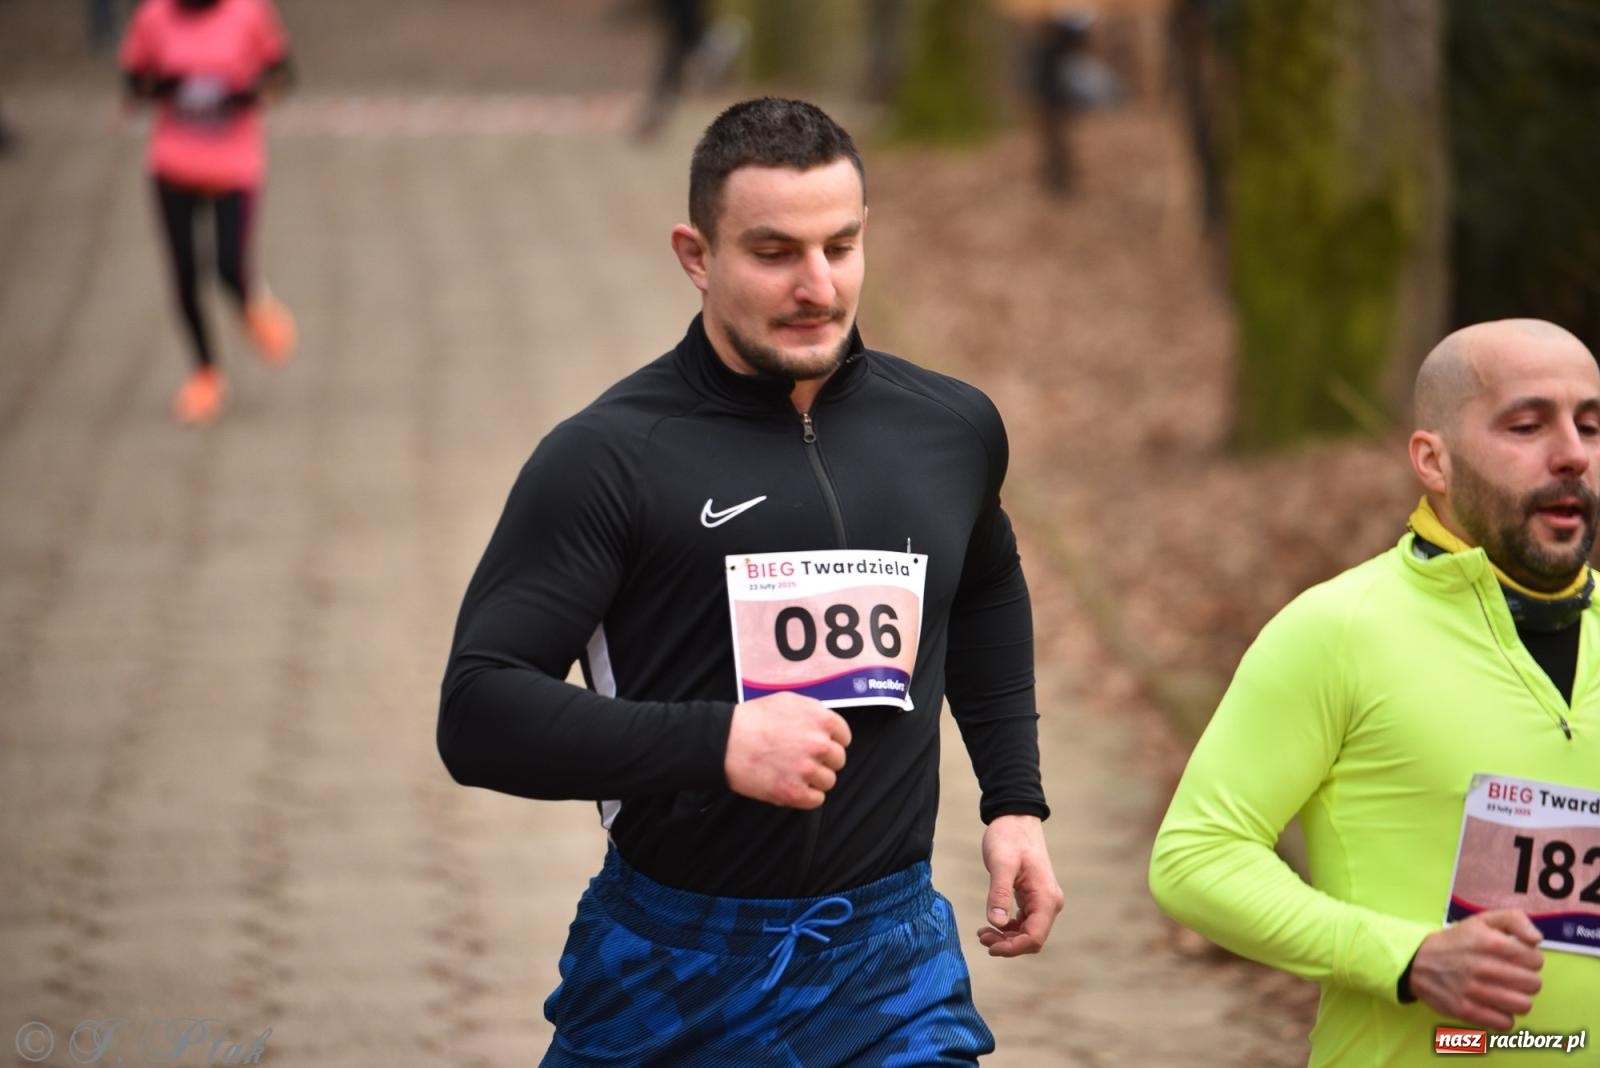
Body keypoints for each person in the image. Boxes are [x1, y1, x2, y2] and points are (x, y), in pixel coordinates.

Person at [439, 97, 1062, 1066]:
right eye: (774, 252)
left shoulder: (948, 429)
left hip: (889, 964)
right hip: (672, 964)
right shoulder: (609, 459)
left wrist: (1014, 801)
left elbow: (982, 586)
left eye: (841, 246)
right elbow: (479, 712)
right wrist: (717, 740)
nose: (817, 285)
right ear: (696, 255)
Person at [1149, 319, 1600, 1066]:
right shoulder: (1338, 630)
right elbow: (1196, 857)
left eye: (1590, 425)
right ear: (1433, 460)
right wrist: (1408, 956)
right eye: (1527, 425)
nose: (1573, 455)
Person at [119, 0, 297, 427]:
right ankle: (205, 373)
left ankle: (252, 303)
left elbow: (282, 75)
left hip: (234, 168)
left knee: (229, 266)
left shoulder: (249, 13)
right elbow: (133, 82)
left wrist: (247, 94)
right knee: (185, 274)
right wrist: (167, 88)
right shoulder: (154, 16)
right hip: (173, 167)